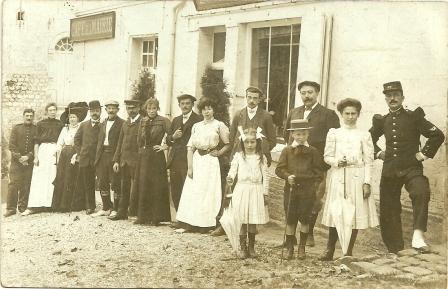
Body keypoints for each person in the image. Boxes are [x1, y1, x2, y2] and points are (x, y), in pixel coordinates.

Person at [369, 81, 444, 253]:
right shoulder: (382, 120)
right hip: (390, 170)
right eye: (389, 95)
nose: (392, 98)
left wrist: (423, 154)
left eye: (396, 95)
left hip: (412, 167)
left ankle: (418, 237)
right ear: (385, 99)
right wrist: (379, 153)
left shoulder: (413, 117)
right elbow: (367, 141)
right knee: (388, 207)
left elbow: (437, 135)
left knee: (421, 191)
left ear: (403, 97)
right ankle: (395, 248)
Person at [319, 98, 379, 261]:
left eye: (354, 113)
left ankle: (348, 252)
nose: (350, 117)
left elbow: (369, 161)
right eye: (347, 113)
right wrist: (337, 162)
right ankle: (329, 250)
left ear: (358, 115)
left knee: (353, 214)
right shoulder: (334, 133)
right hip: (338, 175)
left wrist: (366, 182)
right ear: (341, 114)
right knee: (337, 212)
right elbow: (327, 156)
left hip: (357, 178)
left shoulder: (364, 135)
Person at [211, 86, 276, 237]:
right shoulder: (239, 114)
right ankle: (225, 223)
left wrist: (260, 150)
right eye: (249, 97)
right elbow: (233, 137)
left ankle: (250, 224)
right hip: (240, 159)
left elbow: (272, 140)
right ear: (245, 97)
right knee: (231, 190)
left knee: (253, 193)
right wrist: (235, 155)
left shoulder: (265, 116)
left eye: (255, 98)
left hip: (255, 160)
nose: (252, 101)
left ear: (260, 99)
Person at [283, 81, 340, 246]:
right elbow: (288, 137)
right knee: (292, 199)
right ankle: (290, 238)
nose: (306, 96)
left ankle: (309, 233)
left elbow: (334, 142)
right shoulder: (294, 112)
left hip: (316, 167)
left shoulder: (328, 115)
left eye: (310, 92)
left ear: (317, 94)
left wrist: (324, 166)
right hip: (294, 166)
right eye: (303, 93)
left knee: (313, 200)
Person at [176, 97, 230, 233]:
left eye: (209, 108)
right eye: (204, 109)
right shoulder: (197, 126)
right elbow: (190, 147)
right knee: (194, 192)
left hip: (210, 162)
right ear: (200, 111)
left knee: (208, 192)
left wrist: (219, 152)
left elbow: (228, 143)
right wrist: (190, 167)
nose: (207, 112)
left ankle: (205, 224)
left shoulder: (219, 125)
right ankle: (191, 223)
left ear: (214, 110)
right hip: (197, 160)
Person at [275, 119, 324, 260]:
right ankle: (290, 247)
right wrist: (287, 176)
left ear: (308, 134)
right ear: (292, 135)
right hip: (291, 189)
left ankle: (301, 248)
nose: (300, 137)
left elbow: (319, 173)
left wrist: (313, 185)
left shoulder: (313, 151)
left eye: (303, 134)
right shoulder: (287, 150)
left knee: (305, 220)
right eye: (297, 134)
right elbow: (279, 169)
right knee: (290, 220)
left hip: (307, 191)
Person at [225, 128, 269, 259]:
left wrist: (265, 192)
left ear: (257, 142)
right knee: (243, 219)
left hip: (256, 189)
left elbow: (266, 175)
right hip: (242, 189)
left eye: (252, 142)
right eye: (247, 142)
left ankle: (251, 247)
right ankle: (243, 247)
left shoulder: (261, 157)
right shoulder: (239, 156)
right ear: (242, 143)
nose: (250, 145)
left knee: (252, 219)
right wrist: (230, 178)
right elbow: (233, 171)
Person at [133, 98, 171, 225]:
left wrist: (164, 146)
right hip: (144, 156)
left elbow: (171, 137)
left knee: (156, 186)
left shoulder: (163, 121)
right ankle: (142, 216)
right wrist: (140, 152)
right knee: (143, 184)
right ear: (146, 109)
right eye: (149, 108)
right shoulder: (142, 121)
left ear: (157, 108)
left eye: (154, 108)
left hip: (156, 157)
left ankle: (156, 217)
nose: (151, 111)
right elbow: (139, 139)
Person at [22, 103, 64, 215]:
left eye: (54, 110)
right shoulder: (40, 124)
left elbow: (62, 140)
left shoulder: (60, 124)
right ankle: (34, 206)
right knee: (39, 177)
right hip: (43, 150)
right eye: (50, 110)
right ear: (46, 111)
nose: (53, 112)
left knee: (52, 177)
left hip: (55, 150)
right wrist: (36, 157)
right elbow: (36, 142)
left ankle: (50, 205)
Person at [166, 94, 202, 211]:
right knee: (175, 189)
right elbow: (167, 140)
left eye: (187, 103)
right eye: (182, 104)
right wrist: (173, 137)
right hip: (175, 160)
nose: (185, 106)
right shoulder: (176, 120)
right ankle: (178, 218)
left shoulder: (199, 120)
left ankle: (187, 219)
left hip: (189, 160)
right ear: (179, 105)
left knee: (188, 189)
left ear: (192, 105)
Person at [51, 102, 88, 212]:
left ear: (78, 118)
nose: (72, 119)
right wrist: (57, 152)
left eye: (74, 117)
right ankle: (60, 205)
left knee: (73, 178)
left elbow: (82, 143)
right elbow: (59, 143)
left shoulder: (81, 128)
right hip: (64, 155)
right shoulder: (65, 129)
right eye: (71, 117)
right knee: (62, 177)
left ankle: (73, 205)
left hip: (75, 154)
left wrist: (77, 155)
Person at [109, 99, 142, 220]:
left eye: (133, 108)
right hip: (124, 161)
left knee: (137, 187)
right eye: (128, 108)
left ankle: (136, 213)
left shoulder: (142, 122)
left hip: (137, 161)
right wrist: (116, 160)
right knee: (124, 187)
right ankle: (122, 212)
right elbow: (120, 143)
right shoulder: (125, 123)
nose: (131, 110)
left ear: (138, 108)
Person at [92, 100, 124, 217]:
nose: (111, 110)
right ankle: (106, 207)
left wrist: (117, 160)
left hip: (114, 155)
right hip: (102, 156)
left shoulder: (122, 123)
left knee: (115, 183)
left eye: (113, 108)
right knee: (102, 181)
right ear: (105, 110)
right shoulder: (103, 123)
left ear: (117, 110)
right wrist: (97, 158)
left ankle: (115, 209)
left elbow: (122, 144)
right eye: (109, 108)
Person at [4, 109, 38, 217]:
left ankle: (23, 207)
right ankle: (11, 208)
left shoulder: (36, 129)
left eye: (31, 116)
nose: (29, 118)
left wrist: (28, 157)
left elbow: (37, 145)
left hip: (29, 162)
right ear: (23, 116)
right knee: (13, 184)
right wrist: (20, 158)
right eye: (27, 115)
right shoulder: (16, 128)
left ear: (33, 117)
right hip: (16, 162)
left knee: (26, 184)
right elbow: (11, 145)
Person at [73, 100, 102, 215]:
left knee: (103, 182)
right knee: (88, 183)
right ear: (89, 112)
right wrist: (80, 153)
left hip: (99, 159)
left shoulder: (103, 125)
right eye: (93, 111)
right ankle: (90, 206)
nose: (95, 113)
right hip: (85, 159)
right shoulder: (84, 125)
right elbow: (76, 139)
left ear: (100, 111)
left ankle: (107, 205)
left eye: (97, 111)